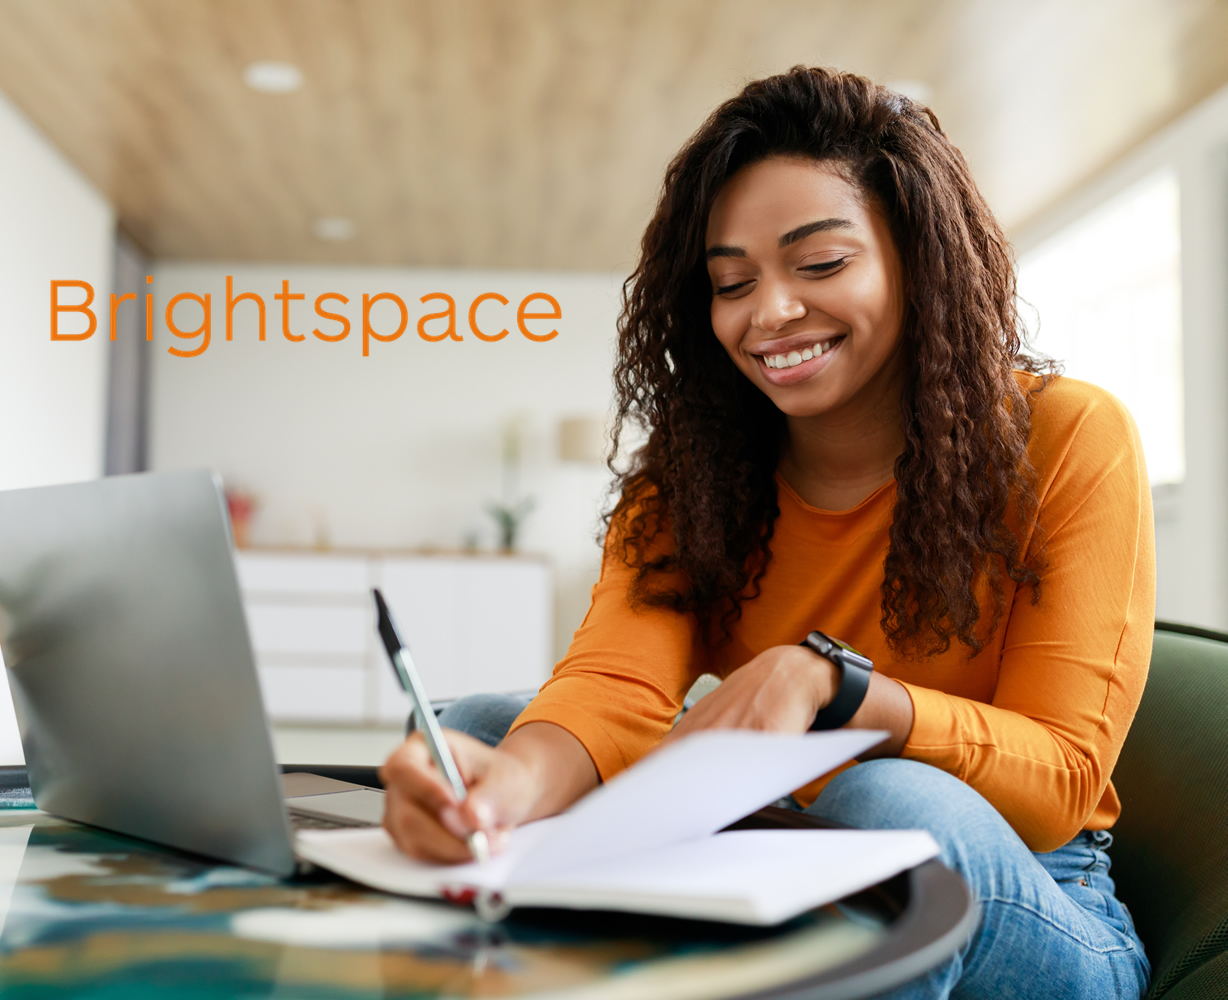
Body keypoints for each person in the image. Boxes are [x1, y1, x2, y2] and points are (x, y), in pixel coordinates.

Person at [380, 67, 1153, 999]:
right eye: (732, 282)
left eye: (820, 264)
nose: (770, 313)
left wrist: (833, 686)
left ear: (919, 257)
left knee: (885, 801)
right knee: (485, 731)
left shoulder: (1070, 436)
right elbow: (614, 684)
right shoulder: (698, 470)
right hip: (781, 841)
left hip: (1033, 895)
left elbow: (1062, 777)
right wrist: (498, 801)